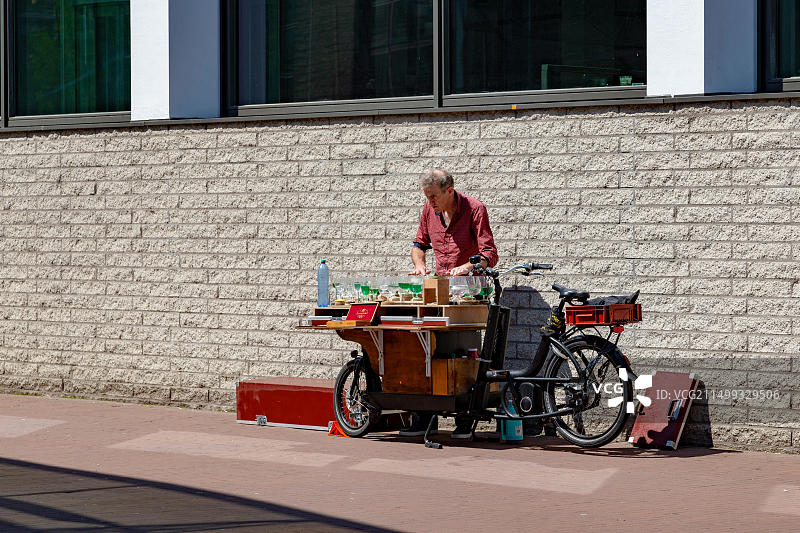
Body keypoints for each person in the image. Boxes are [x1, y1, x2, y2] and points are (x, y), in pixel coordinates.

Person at [400, 169, 499, 440]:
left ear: (449, 190)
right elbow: (418, 244)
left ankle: (465, 418)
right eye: (427, 196)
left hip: (467, 296)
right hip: (440, 292)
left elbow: (490, 254)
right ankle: (424, 415)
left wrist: (467, 266)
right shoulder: (428, 210)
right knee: (427, 350)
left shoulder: (475, 209)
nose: (430, 201)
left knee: (462, 353)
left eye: (433, 196)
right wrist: (420, 265)